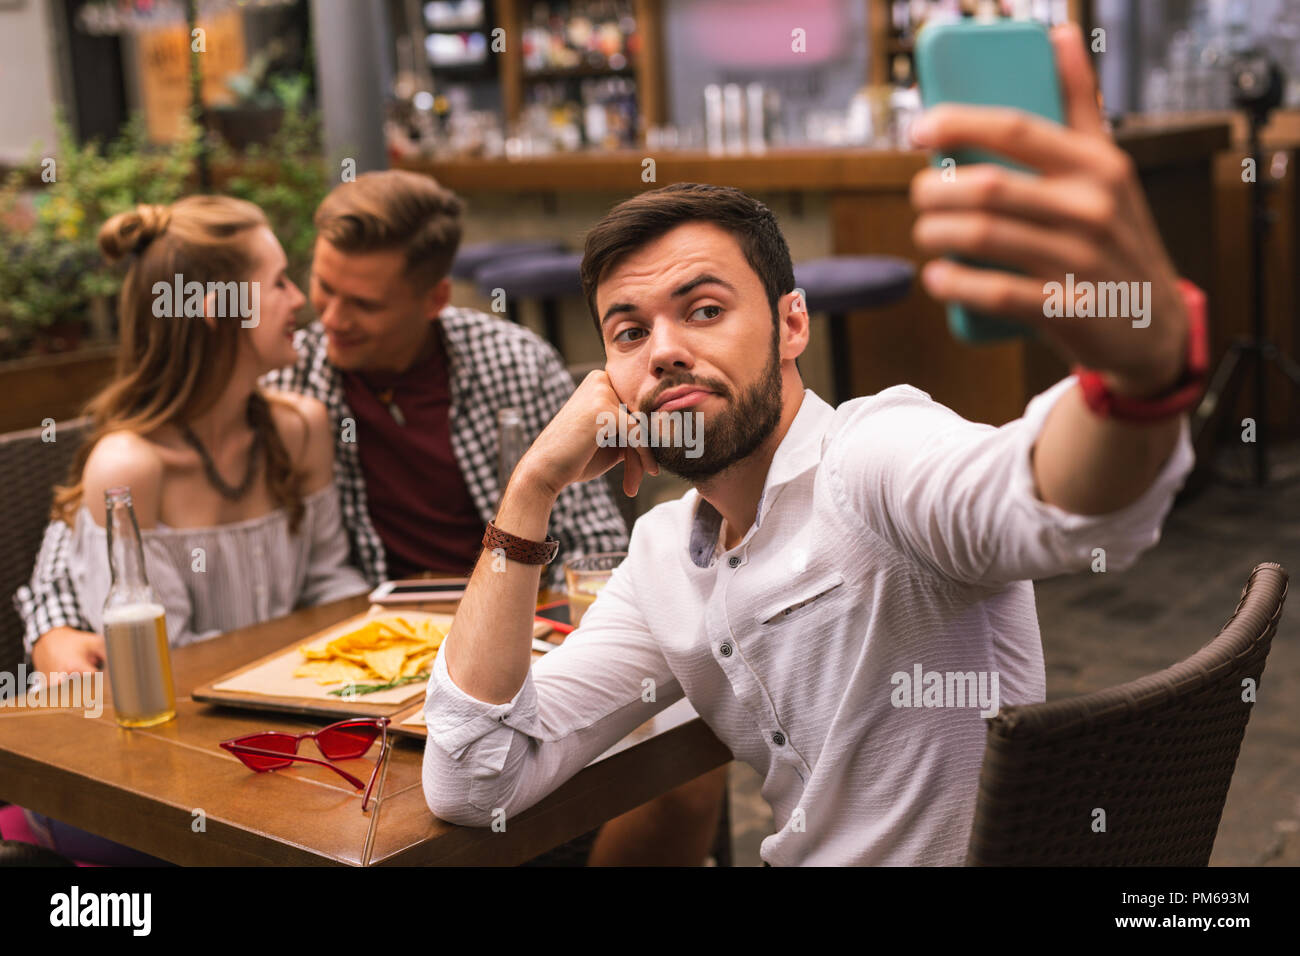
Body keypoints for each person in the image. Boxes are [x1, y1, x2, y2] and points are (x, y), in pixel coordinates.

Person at [419, 25, 1202, 865]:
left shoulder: (873, 459)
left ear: (792, 324)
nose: (666, 348)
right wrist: (531, 486)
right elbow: (475, 781)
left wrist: (1142, 375)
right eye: (629, 330)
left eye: (706, 309)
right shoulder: (659, 562)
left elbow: (1053, 502)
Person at [16, 171, 726, 865]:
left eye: (361, 303)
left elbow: (594, 545)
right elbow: (87, 531)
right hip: (364, 679)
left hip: (510, 639)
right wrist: (49, 624)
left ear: (433, 299)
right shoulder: (290, 376)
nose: (326, 317)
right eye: (314, 286)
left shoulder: (501, 363)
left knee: (686, 772)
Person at [19, 194, 370, 863]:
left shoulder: (301, 427)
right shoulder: (129, 467)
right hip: (138, 779)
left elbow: (333, 586)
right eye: (278, 284)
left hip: (264, 748)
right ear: (218, 309)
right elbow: (167, 676)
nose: (301, 300)